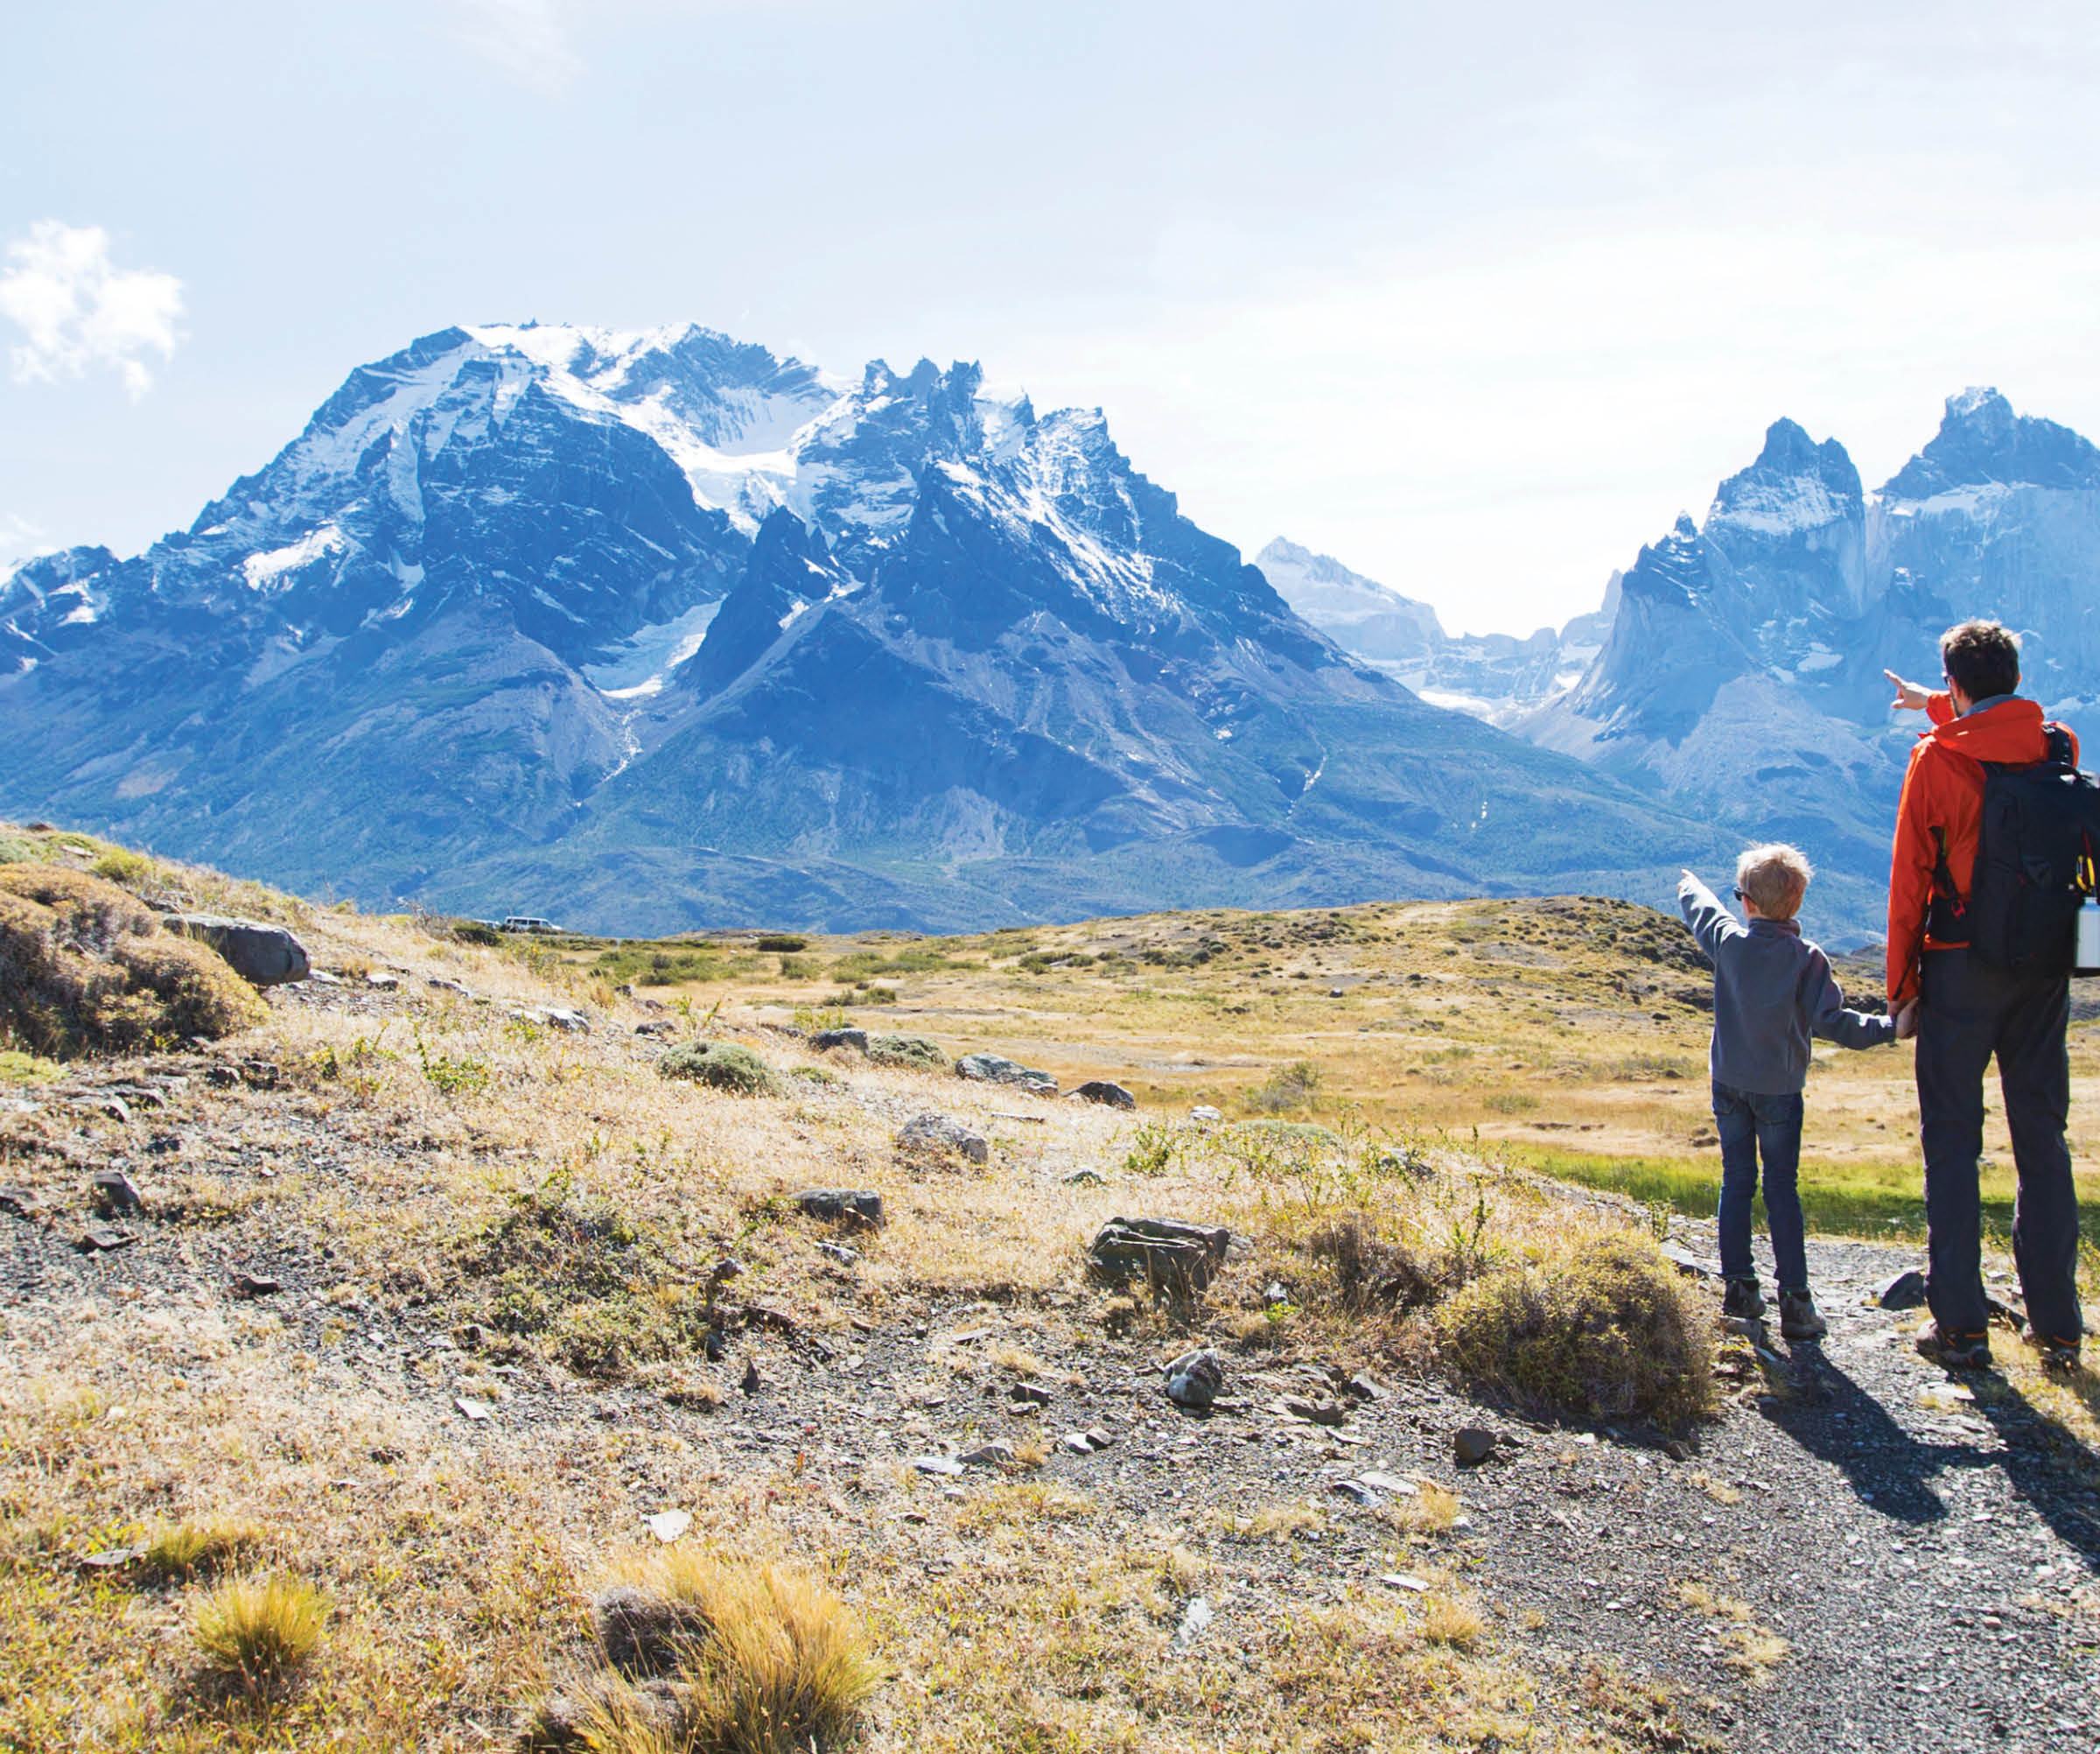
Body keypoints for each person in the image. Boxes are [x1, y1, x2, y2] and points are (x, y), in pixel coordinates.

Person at [1885, 621, 2085, 1372]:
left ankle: (1963, 1326)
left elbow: (1910, 881)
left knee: (1952, 1142)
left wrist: (1902, 987)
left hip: (1962, 967)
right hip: (2044, 968)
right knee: (2043, 1138)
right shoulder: (2057, 746)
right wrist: (1937, 701)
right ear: (2015, 674)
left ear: (1958, 680)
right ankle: (2059, 1326)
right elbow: (2002, 735)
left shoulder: (1936, 761)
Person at [1679, 847, 1903, 1340]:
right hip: (1780, 1093)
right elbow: (1834, 1023)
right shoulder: (1807, 960)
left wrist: (1689, 883)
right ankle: (1797, 1305)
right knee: (1782, 1189)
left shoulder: (1730, 944)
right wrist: (1891, 1027)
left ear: (1748, 903)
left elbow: (1702, 912)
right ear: (1796, 903)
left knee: (1736, 1180)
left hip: (1728, 1086)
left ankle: (1740, 1290)